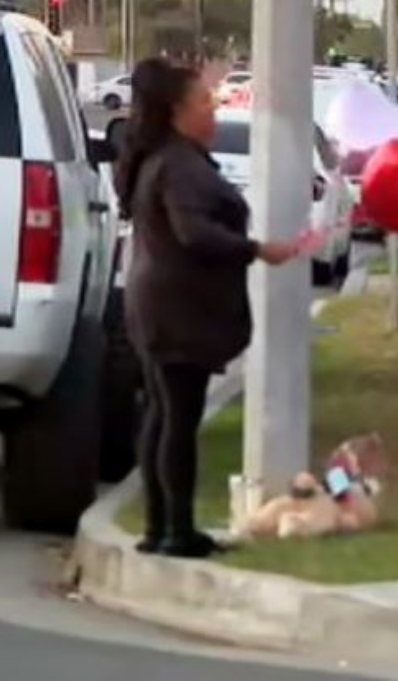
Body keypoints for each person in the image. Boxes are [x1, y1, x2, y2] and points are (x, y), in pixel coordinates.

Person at [115, 57, 303, 559]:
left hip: (154, 303)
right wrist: (258, 249)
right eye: (205, 103)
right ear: (177, 111)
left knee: (162, 413)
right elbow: (194, 232)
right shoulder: (179, 165)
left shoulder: (162, 157)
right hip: (177, 309)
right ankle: (177, 530)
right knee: (177, 417)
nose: (213, 112)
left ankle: (161, 527)